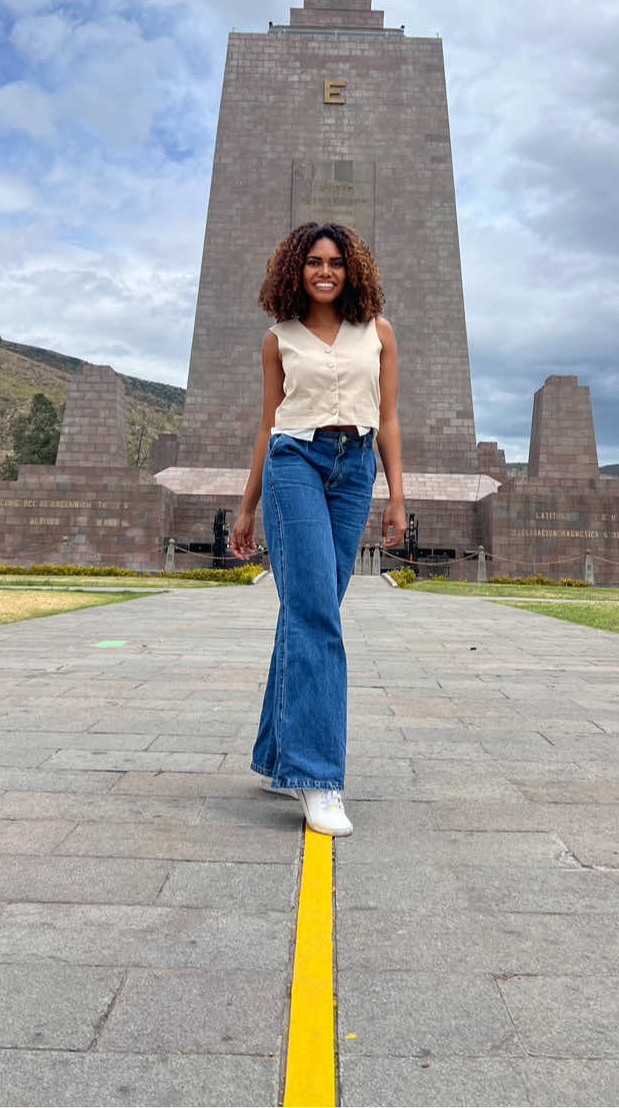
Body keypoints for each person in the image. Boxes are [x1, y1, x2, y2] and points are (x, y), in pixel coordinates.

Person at [230, 221, 406, 836]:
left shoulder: (378, 332)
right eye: (312, 262)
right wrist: (247, 506)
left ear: (351, 269)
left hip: (355, 470)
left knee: (311, 609)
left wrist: (396, 496)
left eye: (334, 261)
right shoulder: (278, 339)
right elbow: (266, 424)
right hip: (293, 463)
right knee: (315, 616)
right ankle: (317, 776)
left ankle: (275, 753)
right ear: (295, 270)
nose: (324, 271)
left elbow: (388, 418)